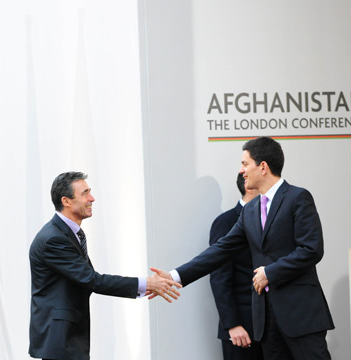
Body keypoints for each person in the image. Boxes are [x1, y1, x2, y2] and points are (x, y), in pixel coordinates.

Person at [152, 137, 334, 360]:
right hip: (266, 319)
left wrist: (270, 272)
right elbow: (221, 250)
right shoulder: (250, 210)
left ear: (263, 167)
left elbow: (311, 249)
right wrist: (174, 276)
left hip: (300, 314)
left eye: (245, 164)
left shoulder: (298, 197)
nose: (242, 171)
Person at [29, 171, 181, 360]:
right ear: (66, 201)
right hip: (60, 340)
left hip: (68, 338)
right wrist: (147, 284)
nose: (91, 198)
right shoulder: (54, 239)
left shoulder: (66, 233)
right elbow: (92, 280)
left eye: (90, 192)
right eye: (85, 193)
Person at [209, 173, 263, 359]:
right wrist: (232, 324)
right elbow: (219, 277)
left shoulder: (273, 220)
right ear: (249, 187)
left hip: (273, 328)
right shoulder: (225, 223)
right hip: (242, 329)